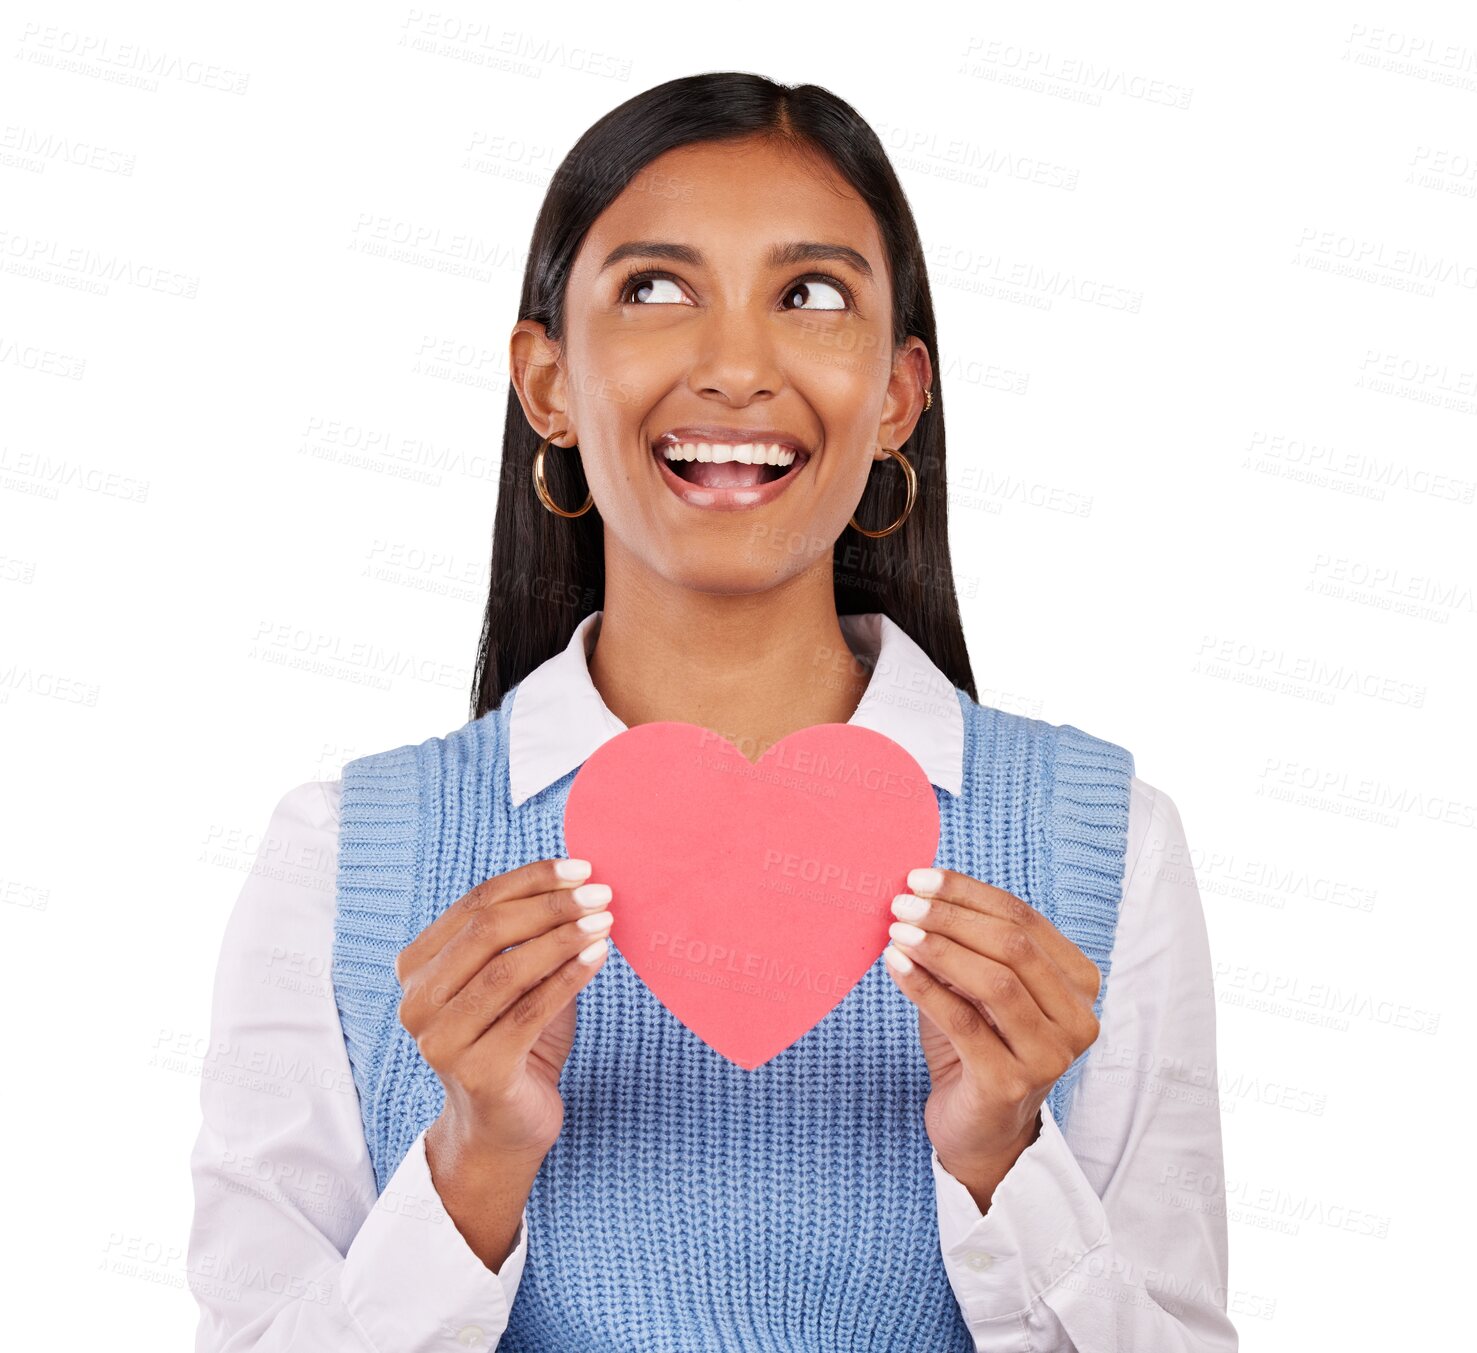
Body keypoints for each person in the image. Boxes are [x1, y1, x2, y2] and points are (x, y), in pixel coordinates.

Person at [188, 71, 1237, 1351]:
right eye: (654, 289)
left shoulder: (1106, 844)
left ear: (900, 395)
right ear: (547, 382)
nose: (736, 367)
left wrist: (1005, 1161)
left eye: (810, 296)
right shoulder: (343, 854)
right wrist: (472, 1169)